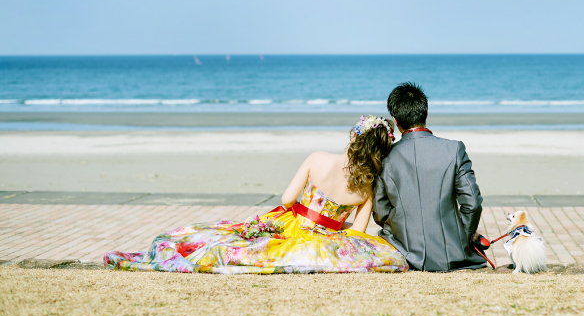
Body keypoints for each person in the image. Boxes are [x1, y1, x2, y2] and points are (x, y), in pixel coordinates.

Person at [104, 116, 408, 274]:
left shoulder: (317, 158)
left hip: (291, 225)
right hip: (325, 239)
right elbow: (358, 233)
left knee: (233, 239)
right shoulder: (367, 188)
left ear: (354, 137)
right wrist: (331, 226)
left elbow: (288, 200)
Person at [372, 82, 486, 271]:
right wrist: (461, 238)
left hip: (403, 251)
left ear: (395, 119)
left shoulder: (384, 158)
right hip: (451, 254)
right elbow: (472, 203)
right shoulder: (454, 149)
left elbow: (381, 211)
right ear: (426, 113)